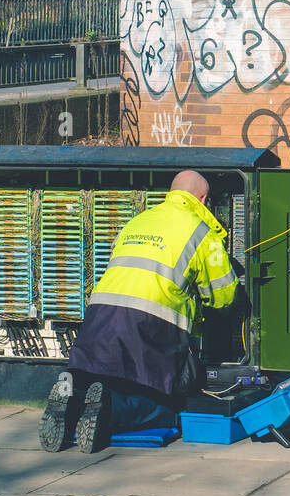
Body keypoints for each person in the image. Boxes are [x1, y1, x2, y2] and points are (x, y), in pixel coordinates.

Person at [39, 169, 241, 454]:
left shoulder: (138, 220)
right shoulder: (201, 231)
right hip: (152, 322)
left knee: (106, 376)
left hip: (100, 313)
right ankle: (109, 406)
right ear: (203, 199)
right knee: (161, 401)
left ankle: (74, 396)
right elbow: (224, 296)